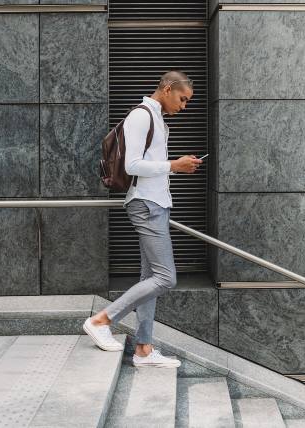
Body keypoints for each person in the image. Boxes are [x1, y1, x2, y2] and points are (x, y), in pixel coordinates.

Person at [83, 70, 201, 368]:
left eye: (187, 102)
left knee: (151, 279)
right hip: (146, 205)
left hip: (157, 203)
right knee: (165, 278)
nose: (184, 106)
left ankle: (144, 349)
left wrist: (176, 167)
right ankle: (102, 320)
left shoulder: (158, 118)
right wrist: (175, 164)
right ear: (167, 88)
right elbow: (132, 164)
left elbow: (150, 164)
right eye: (182, 99)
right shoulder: (141, 116)